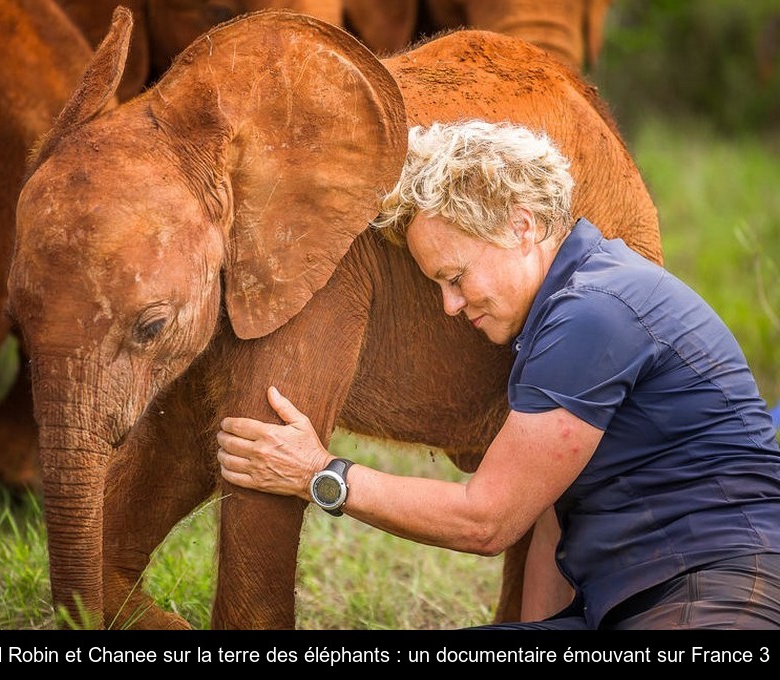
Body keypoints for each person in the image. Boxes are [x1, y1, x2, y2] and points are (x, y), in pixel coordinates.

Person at [216, 120, 780, 629]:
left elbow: (487, 521)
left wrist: (319, 473)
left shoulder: (593, 312)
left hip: (726, 588)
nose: (450, 306)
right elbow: (559, 518)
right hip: (634, 600)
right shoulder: (566, 307)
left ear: (521, 226)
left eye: (456, 277)